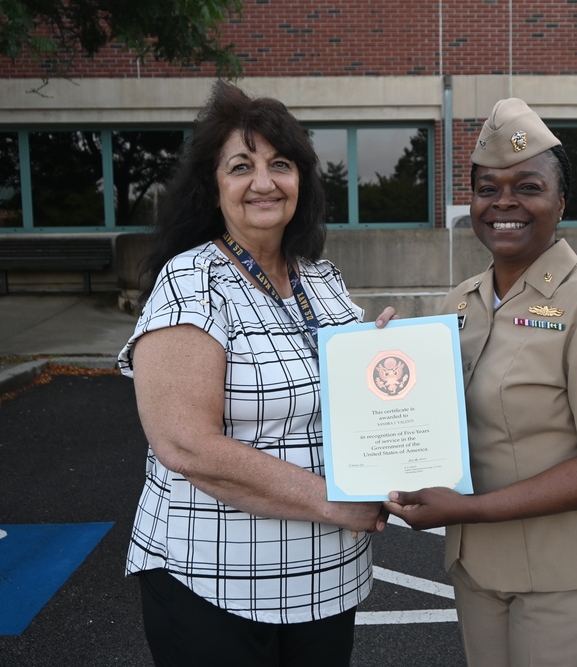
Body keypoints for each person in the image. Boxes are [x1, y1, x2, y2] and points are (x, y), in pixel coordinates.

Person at [118, 80, 395, 667]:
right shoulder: (192, 282)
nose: (264, 182)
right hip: (217, 581)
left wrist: (392, 359)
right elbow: (185, 444)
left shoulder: (321, 279)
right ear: (213, 188)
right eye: (241, 166)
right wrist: (330, 502)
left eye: (281, 164)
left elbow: (358, 401)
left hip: (327, 577)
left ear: (302, 182)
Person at [385, 98, 577, 667]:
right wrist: (377, 360)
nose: (504, 202)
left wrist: (470, 510)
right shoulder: (460, 302)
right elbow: (432, 419)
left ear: (561, 201)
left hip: (571, 576)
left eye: (527, 186)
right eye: (488, 188)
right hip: (479, 569)